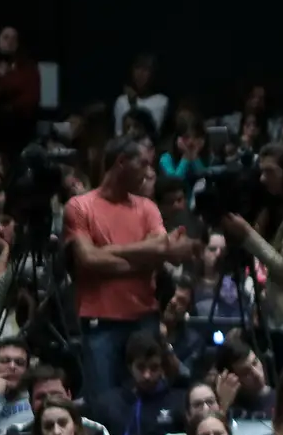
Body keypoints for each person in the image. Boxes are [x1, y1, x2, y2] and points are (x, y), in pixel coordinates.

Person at [62, 133, 198, 396]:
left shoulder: (148, 208)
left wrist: (107, 255)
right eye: (144, 164)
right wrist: (141, 261)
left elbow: (158, 252)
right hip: (100, 322)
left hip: (144, 318)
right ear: (122, 162)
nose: (150, 173)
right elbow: (88, 260)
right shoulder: (79, 207)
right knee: (102, 401)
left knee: (151, 398)